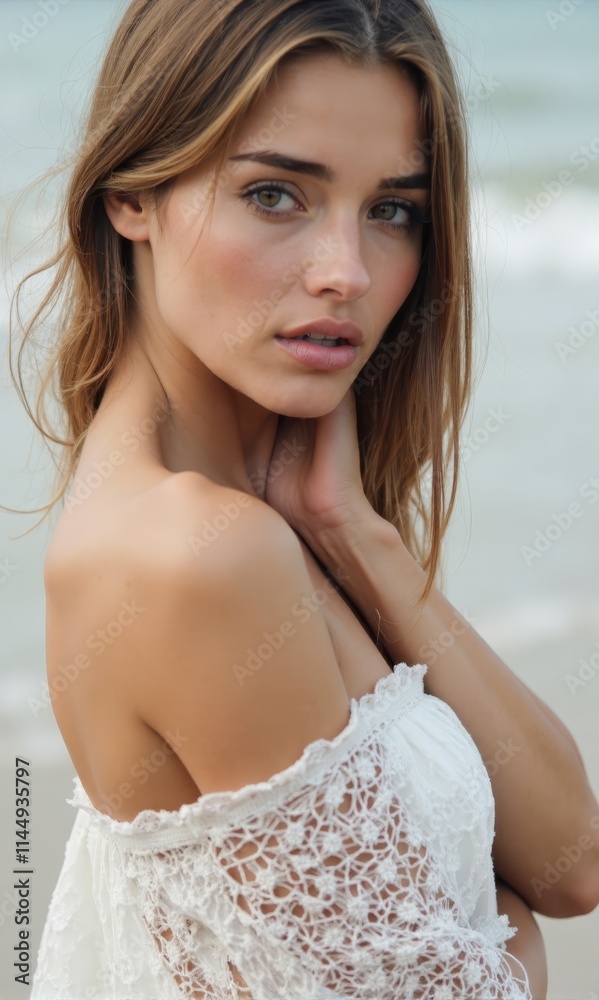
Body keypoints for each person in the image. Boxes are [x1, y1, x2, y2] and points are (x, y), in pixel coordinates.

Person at [7, 0, 598, 996]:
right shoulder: (196, 554)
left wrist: (357, 535)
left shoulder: (263, 516)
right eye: (276, 194)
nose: (347, 273)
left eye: (392, 210)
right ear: (131, 194)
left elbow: (569, 865)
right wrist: (490, 926)